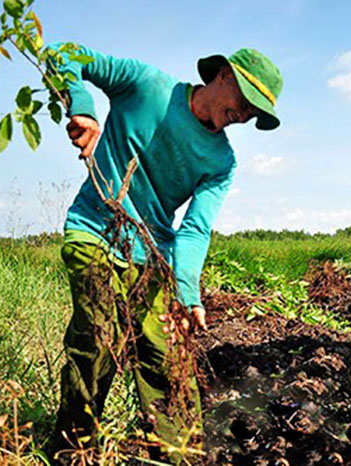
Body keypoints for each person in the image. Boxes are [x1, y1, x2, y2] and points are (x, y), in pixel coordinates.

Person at [44, 42, 283, 462]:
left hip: (151, 254)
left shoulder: (222, 161)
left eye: (254, 114)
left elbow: (195, 229)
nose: (245, 116)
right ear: (223, 75)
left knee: (164, 356)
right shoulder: (147, 85)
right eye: (246, 101)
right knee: (97, 343)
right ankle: (71, 451)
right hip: (94, 230)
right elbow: (65, 55)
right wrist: (80, 104)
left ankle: (178, 456)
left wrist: (186, 292)